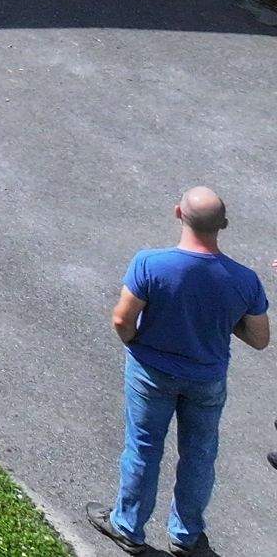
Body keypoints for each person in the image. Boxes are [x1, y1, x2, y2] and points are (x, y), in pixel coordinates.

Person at [90, 187, 269, 554]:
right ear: (223, 224)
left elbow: (122, 319)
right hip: (206, 379)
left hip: (150, 373)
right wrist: (224, 320)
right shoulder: (244, 279)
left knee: (143, 448)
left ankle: (128, 526)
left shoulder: (150, 263)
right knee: (200, 455)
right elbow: (259, 338)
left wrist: (138, 343)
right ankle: (186, 537)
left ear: (178, 214)